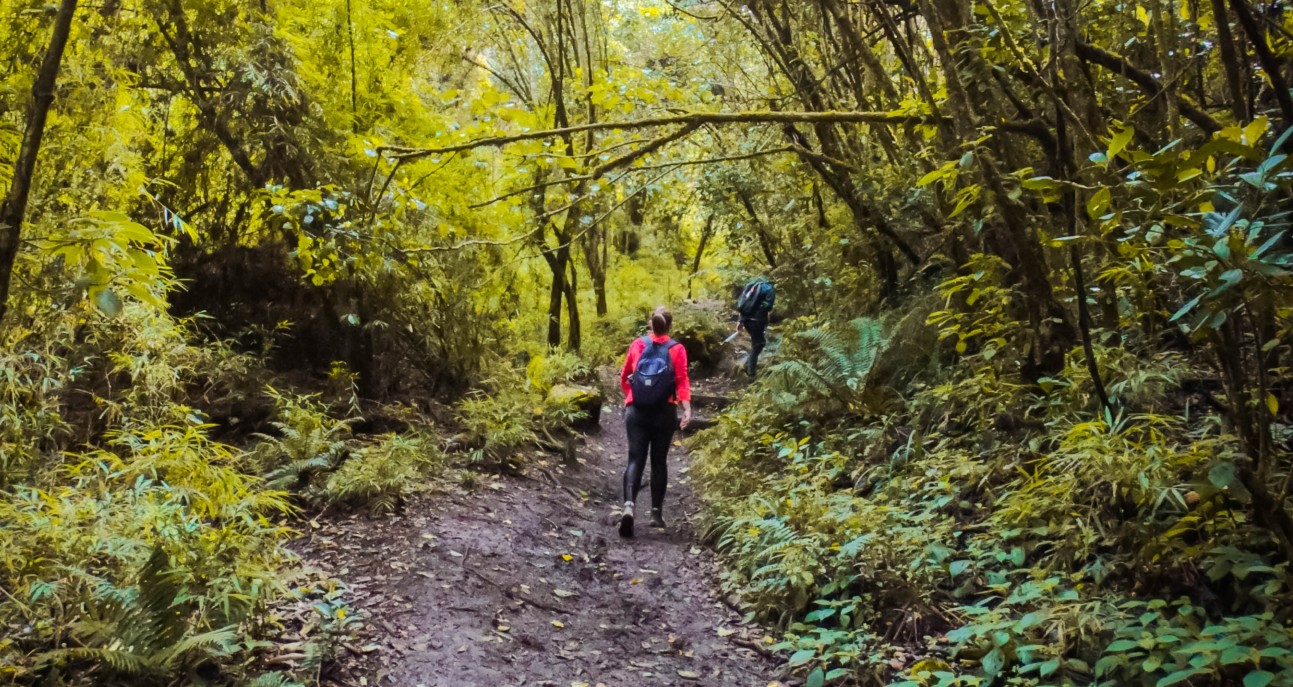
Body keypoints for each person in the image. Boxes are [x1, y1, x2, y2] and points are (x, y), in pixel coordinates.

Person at [618, 305, 692, 538]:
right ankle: (656, 513)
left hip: (636, 410)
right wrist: (686, 409)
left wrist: (631, 398)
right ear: (670, 325)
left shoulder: (638, 344)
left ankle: (629, 505)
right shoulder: (677, 349)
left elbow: (625, 375)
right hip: (664, 412)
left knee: (635, 458)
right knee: (659, 461)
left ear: (651, 323)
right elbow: (682, 380)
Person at [735, 276, 775, 377]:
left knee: (758, 343)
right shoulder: (768, 287)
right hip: (757, 320)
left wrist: (740, 321)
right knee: (758, 344)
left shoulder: (750, 286)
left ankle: (748, 365)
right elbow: (768, 306)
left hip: (746, 320)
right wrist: (760, 310)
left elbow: (743, 304)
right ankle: (751, 373)